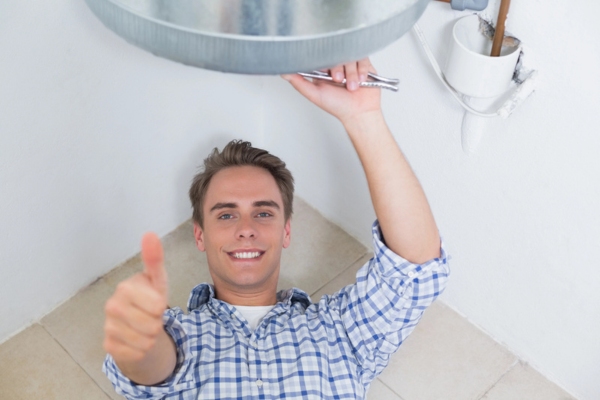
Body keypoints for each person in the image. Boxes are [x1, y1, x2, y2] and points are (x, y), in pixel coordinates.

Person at [102, 58, 450, 399]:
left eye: (264, 213)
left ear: (286, 232)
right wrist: (139, 338)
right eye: (225, 215)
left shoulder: (338, 329)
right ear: (199, 235)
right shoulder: (182, 337)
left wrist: (364, 118)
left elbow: (415, 269)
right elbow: (151, 370)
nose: (246, 229)